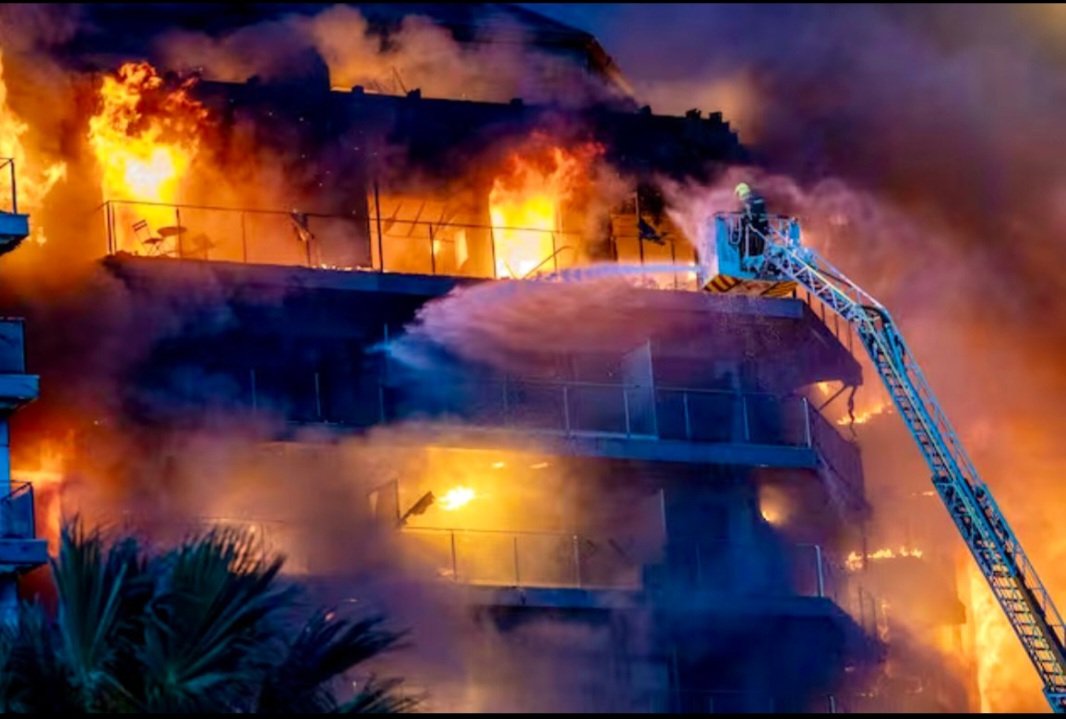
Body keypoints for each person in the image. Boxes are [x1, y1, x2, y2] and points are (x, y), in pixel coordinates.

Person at [734, 182, 768, 259]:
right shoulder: (758, 199)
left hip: (754, 231)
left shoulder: (748, 203)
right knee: (759, 251)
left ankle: (747, 260)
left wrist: (737, 230)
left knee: (749, 248)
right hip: (761, 230)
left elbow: (749, 218)